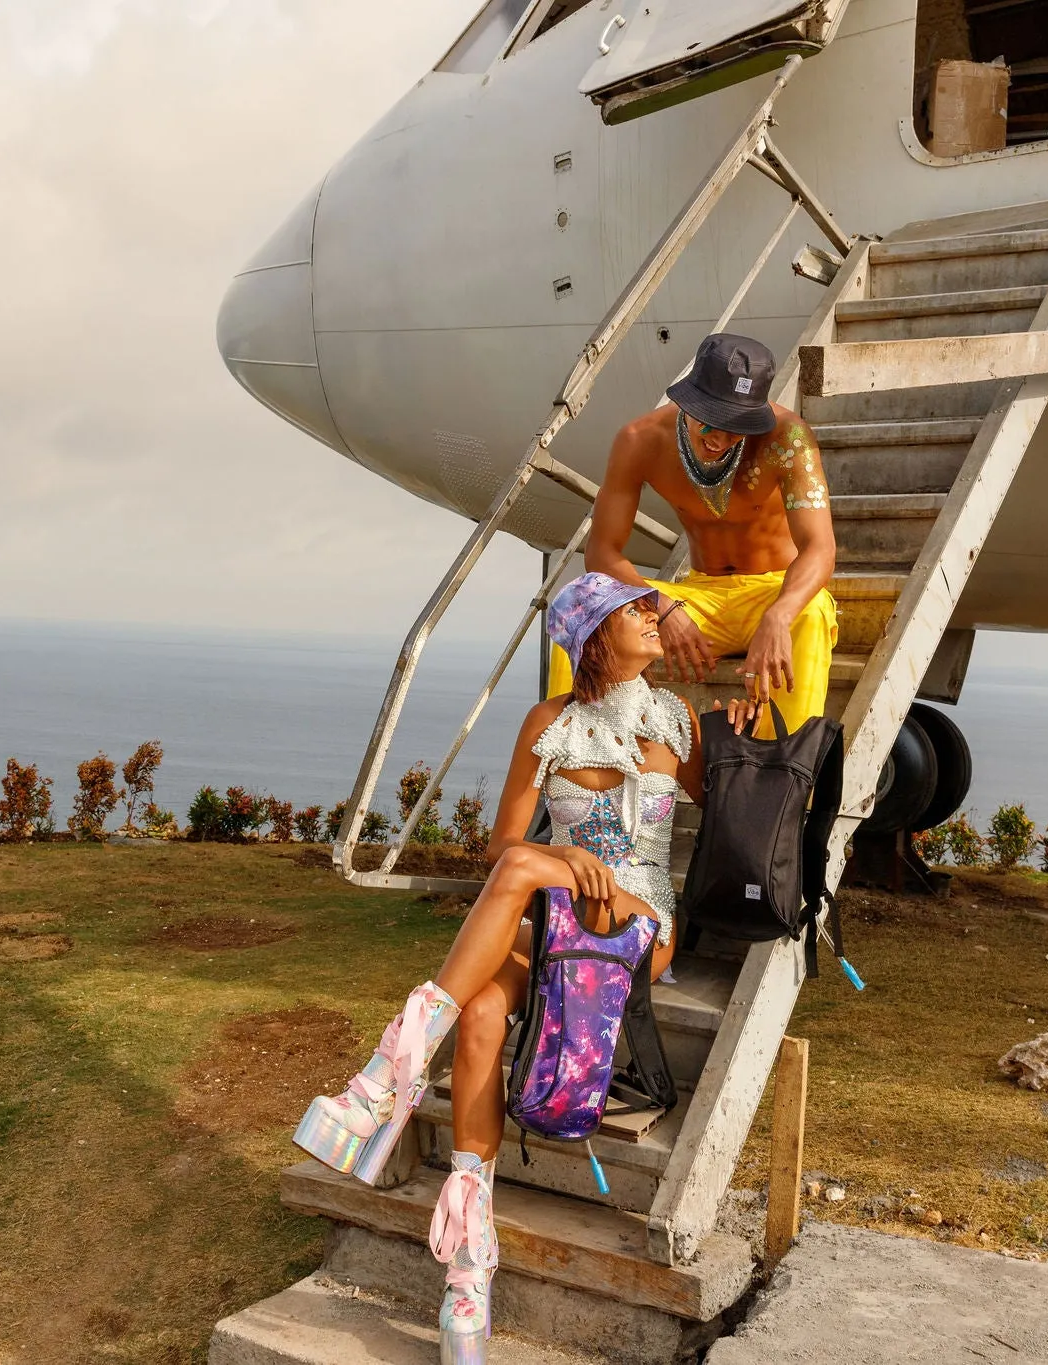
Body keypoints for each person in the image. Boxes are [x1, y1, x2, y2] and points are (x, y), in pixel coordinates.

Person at [293, 573, 758, 1365]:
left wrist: (750, 725)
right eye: (634, 611)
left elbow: (746, 800)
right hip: (553, 911)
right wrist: (562, 854)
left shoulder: (679, 720)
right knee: (480, 1012)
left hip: (639, 915)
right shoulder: (550, 723)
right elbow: (508, 839)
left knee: (517, 880)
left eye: (652, 608)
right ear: (593, 638)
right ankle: (468, 1280)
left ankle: (382, 1083)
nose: (652, 617)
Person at [550, 332, 838, 739]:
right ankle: (571, 756)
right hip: (699, 596)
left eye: (737, 427)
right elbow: (601, 552)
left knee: (812, 613)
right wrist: (660, 605)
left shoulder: (787, 439)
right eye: (712, 420)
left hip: (772, 592)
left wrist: (780, 614)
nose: (721, 438)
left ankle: (787, 778)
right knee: (586, 605)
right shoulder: (641, 440)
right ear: (688, 401)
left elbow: (820, 548)